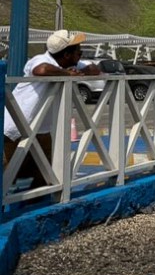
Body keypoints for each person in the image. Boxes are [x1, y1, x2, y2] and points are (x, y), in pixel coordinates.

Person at [3, 30, 100, 190]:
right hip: (15, 130)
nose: (81, 55)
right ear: (67, 54)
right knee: (7, 175)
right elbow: (40, 70)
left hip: (42, 130)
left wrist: (80, 71)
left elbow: (94, 69)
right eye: (79, 52)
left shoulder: (68, 63)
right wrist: (67, 74)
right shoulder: (40, 60)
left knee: (44, 176)